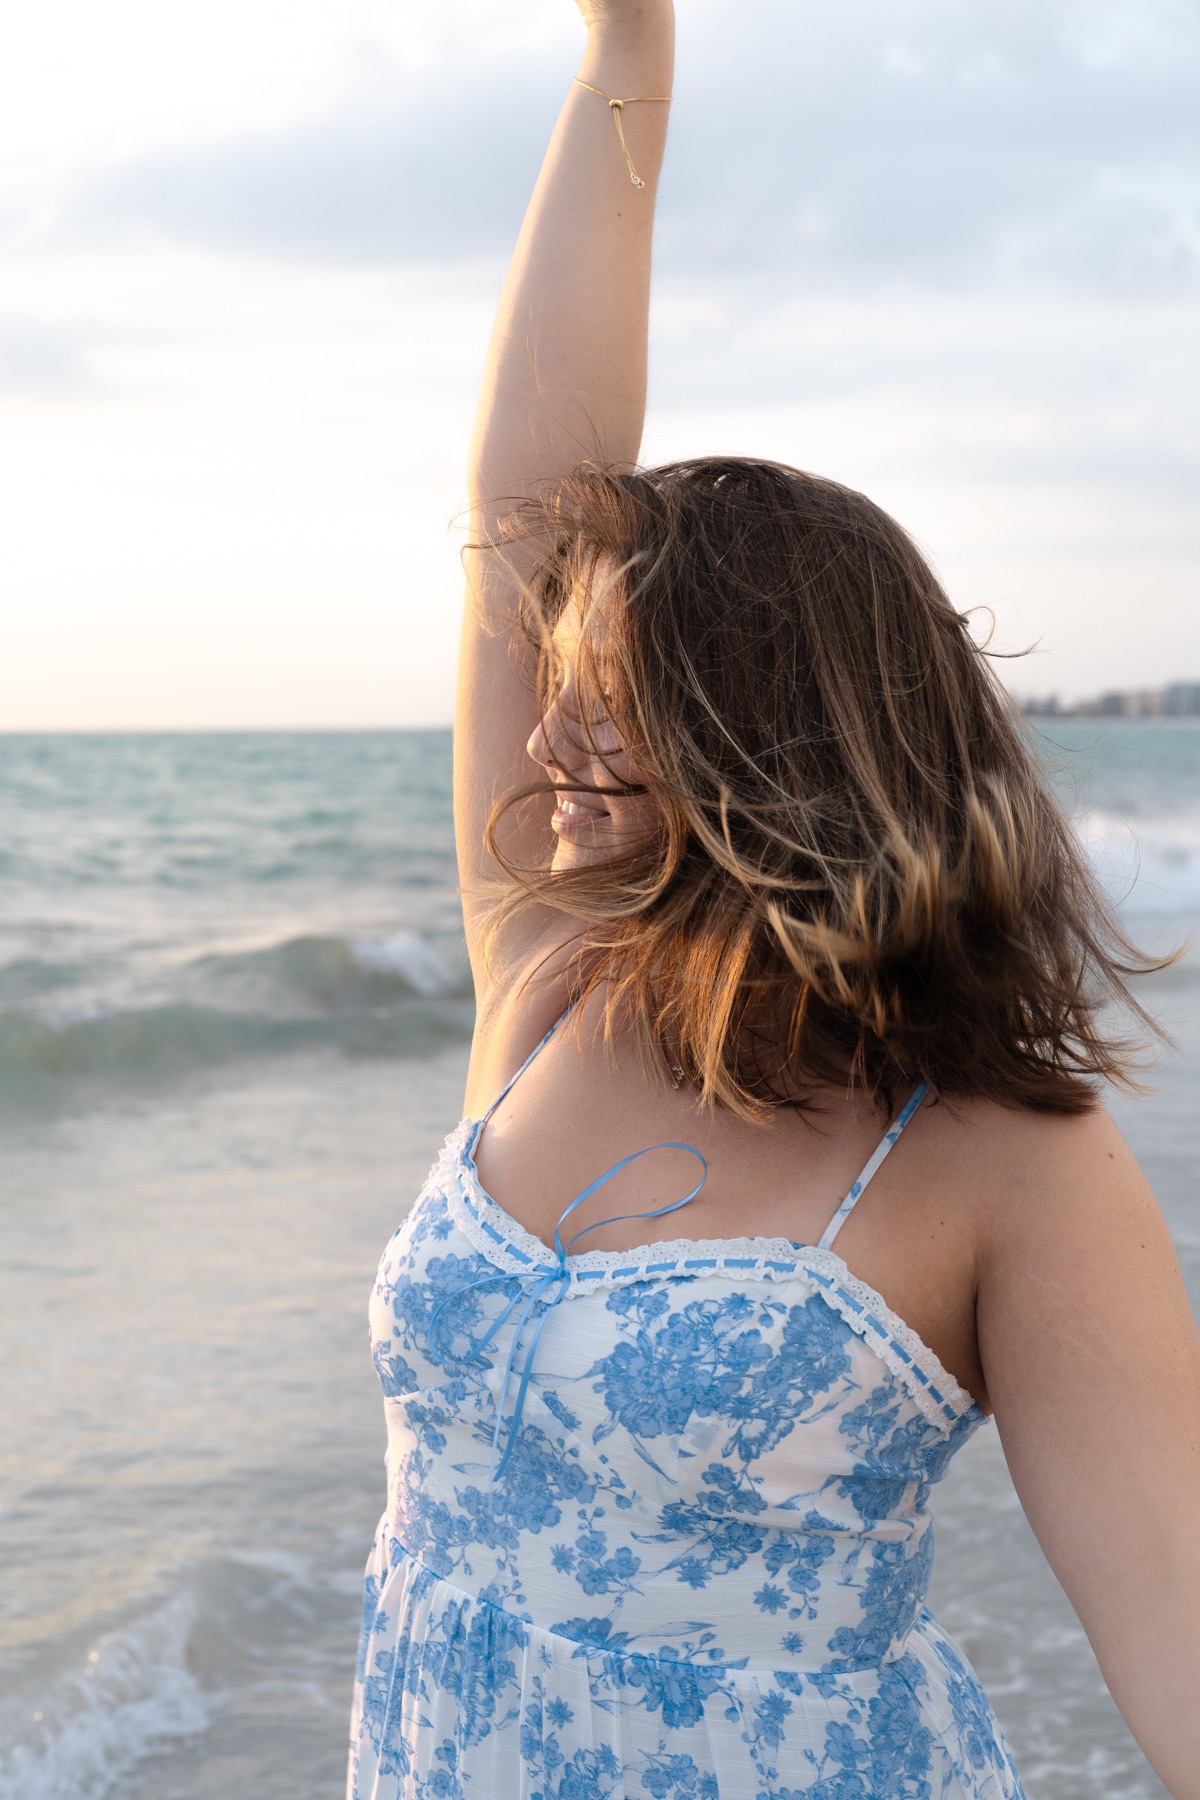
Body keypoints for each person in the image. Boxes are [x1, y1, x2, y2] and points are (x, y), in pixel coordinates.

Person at [348, 3, 1200, 1794]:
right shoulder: (558, 983)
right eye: (558, 668)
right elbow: (517, 501)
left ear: (777, 736)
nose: (552, 728)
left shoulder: (1005, 1163)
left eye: (620, 687)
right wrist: (624, 51)